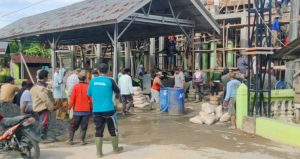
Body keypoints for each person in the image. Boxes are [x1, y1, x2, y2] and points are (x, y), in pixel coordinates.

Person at [87, 63, 123, 157]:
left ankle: (99, 153)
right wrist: (116, 99)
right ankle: (116, 149)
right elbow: (118, 91)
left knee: (98, 130)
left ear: (98, 71)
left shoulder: (93, 81)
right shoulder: (110, 80)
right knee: (113, 129)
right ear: (107, 71)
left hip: (96, 110)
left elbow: (89, 94)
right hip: (109, 109)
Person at [67, 71, 92, 145]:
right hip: (86, 110)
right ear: (85, 79)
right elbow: (90, 99)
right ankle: (82, 141)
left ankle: (70, 140)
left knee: (73, 125)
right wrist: (91, 107)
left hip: (77, 110)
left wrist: (69, 107)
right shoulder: (88, 86)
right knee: (84, 126)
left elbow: (72, 99)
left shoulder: (75, 86)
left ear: (78, 79)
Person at [31, 70, 56, 141]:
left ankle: (40, 137)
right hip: (43, 108)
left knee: (41, 123)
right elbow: (46, 99)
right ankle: (42, 138)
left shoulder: (35, 86)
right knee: (44, 123)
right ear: (45, 78)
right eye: (47, 77)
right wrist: (52, 107)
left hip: (36, 108)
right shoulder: (41, 88)